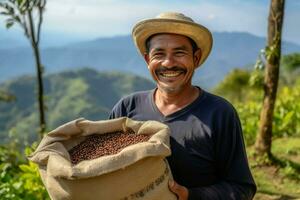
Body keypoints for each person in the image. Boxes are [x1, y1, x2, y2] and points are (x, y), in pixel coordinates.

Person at [109, 12, 256, 200]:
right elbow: (107, 168)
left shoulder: (219, 113)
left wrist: (190, 195)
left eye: (179, 53)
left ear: (196, 58)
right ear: (148, 61)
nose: (168, 63)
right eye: (159, 54)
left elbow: (241, 188)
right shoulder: (127, 108)